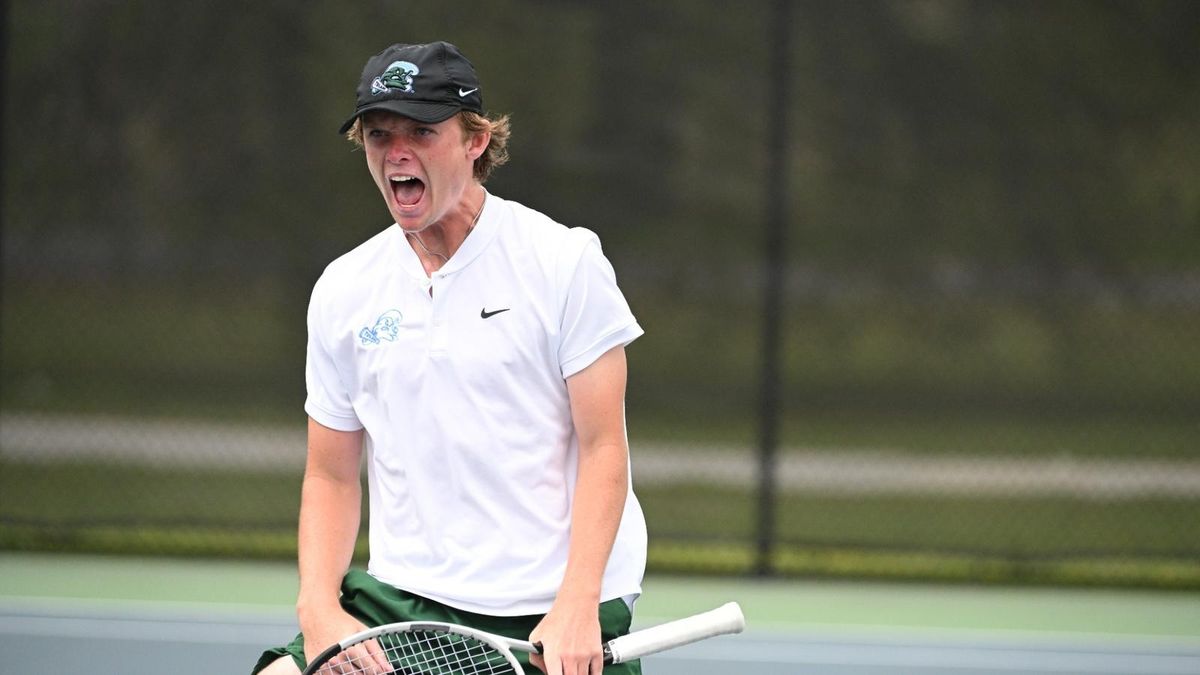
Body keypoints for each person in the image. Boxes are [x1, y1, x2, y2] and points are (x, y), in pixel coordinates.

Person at [253, 41, 647, 675]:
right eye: (379, 134)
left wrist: (577, 602)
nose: (397, 152)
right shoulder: (343, 289)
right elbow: (329, 476)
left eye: (423, 131)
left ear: (476, 140)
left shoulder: (564, 262)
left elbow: (604, 447)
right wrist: (317, 607)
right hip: (402, 604)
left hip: (549, 608)